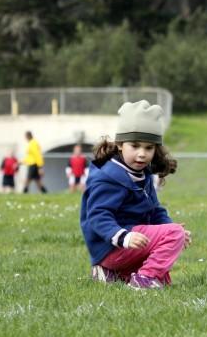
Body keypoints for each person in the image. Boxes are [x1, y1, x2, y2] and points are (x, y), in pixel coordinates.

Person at [80, 100, 191, 290]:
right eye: (135, 146)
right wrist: (124, 237)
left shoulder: (143, 173)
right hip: (112, 246)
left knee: (164, 277)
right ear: (121, 145)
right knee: (171, 240)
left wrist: (169, 228)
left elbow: (154, 210)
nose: (142, 154)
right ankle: (143, 281)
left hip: (128, 244)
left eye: (149, 148)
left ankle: (109, 273)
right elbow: (97, 215)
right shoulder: (108, 176)